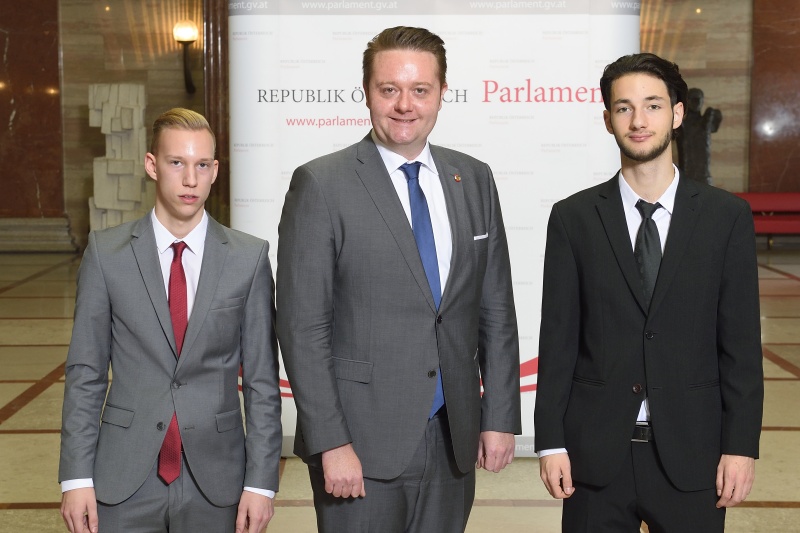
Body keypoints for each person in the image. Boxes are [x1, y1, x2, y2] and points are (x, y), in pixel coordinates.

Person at [276, 26, 521, 533]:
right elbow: (303, 328)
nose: (404, 105)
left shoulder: (474, 178)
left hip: (453, 438)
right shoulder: (321, 183)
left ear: (441, 95)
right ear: (367, 92)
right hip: (359, 446)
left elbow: (496, 310)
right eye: (389, 90)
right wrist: (331, 443)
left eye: (419, 90)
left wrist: (498, 416)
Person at [534, 52, 763, 532]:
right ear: (607, 120)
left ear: (678, 114)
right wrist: (551, 441)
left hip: (694, 453)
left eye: (653, 105)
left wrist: (740, 446)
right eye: (623, 108)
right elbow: (558, 340)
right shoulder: (573, 218)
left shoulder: (726, 218)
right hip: (595, 457)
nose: (638, 120)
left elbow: (740, 347)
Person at [59, 108, 282, 533]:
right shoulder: (107, 255)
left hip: (219, 478)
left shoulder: (248, 259)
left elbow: (261, 383)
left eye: (201, 165)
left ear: (215, 171)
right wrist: (75, 476)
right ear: (151, 165)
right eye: (176, 162)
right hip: (123, 476)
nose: (190, 179)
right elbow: (85, 373)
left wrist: (261, 484)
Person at [677, 87, 723, 185]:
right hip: (686, 176)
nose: (696, 102)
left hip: (704, 177)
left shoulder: (707, 120)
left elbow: (715, 125)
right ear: (687, 101)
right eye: (693, 99)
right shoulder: (680, 124)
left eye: (699, 99)